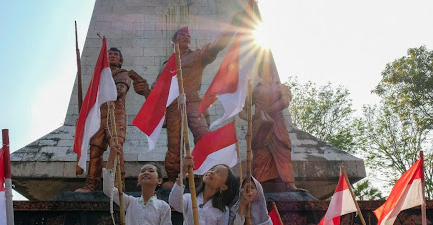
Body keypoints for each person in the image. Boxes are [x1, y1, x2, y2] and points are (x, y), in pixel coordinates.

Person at [132, 13, 246, 188]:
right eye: (182, 36)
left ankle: (207, 176)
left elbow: (216, 46)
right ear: (174, 41)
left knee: (203, 136)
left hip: (193, 103)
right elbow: (157, 93)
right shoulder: (166, 65)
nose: (186, 38)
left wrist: (233, 25)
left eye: (188, 37)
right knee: (174, 144)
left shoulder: (197, 56)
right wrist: (144, 91)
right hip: (173, 108)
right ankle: (174, 178)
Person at [239, 49, 297, 191]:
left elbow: (285, 101)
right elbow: (242, 110)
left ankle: (289, 183)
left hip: (277, 125)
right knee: (260, 154)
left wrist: (268, 111)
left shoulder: (281, 87)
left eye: (268, 69)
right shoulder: (255, 90)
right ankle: (259, 185)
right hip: (261, 127)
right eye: (263, 70)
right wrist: (253, 119)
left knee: (282, 151)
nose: (267, 72)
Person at [75, 47, 132, 192]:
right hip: (98, 116)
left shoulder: (123, 74)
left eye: (115, 54)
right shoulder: (98, 77)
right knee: (95, 152)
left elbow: (119, 92)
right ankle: (90, 185)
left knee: (116, 148)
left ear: (121, 60)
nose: (112, 56)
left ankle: (118, 184)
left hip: (116, 114)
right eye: (109, 54)